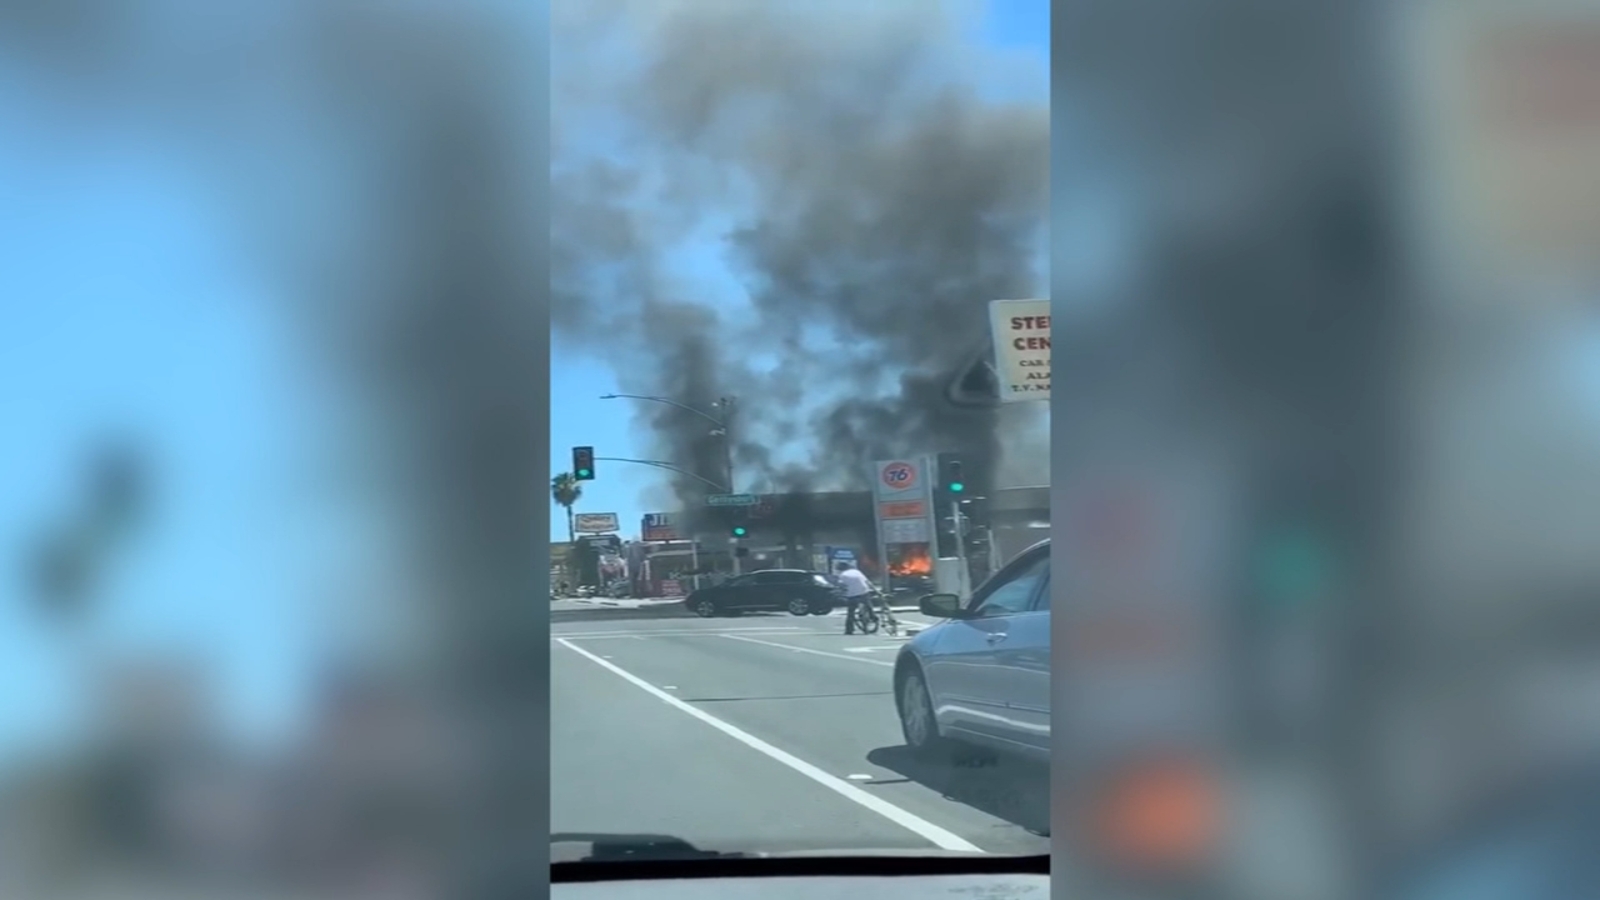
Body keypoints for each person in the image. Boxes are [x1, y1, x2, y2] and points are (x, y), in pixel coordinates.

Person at [835, 561, 875, 635]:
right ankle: (873, 616)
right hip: (864, 591)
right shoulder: (857, 572)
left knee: (851, 612)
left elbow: (841, 585)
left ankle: (849, 630)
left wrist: (841, 593)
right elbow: (867, 581)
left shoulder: (842, 575)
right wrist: (875, 589)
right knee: (868, 604)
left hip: (852, 595)